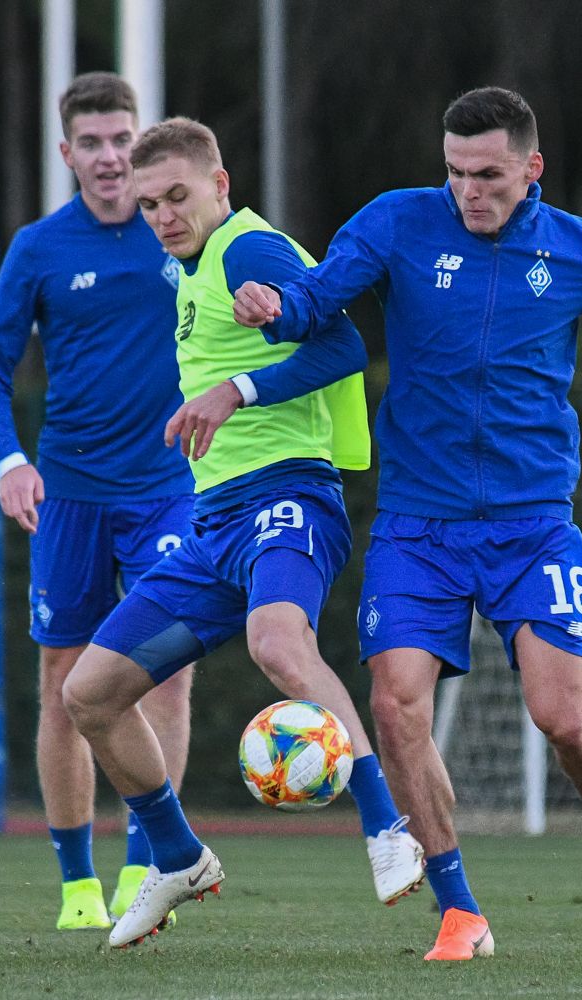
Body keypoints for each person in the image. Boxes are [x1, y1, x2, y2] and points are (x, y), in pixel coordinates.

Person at [233, 86, 582, 962]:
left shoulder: (571, 250)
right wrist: (273, 305)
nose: (470, 190)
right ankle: (459, 911)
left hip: (533, 524)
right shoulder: (398, 222)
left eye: (490, 174)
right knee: (394, 708)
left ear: (531, 169)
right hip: (416, 526)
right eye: (457, 172)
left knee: (565, 717)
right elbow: (316, 302)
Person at [62, 116, 425, 950]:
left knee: (277, 642)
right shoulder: (184, 269)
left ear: (221, 187)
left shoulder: (247, 250)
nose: (162, 213)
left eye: (178, 195)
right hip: (214, 522)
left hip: (288, 496)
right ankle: (179, 855)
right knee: (90, 694)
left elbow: (342, 346)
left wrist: (238, 392)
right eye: (150, 202)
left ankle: (384, 827)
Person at [0, 73, 197, 931]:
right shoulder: (38, 247)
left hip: (171, 491)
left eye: (122, 140)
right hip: (66, 496)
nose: (110, 158)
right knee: (64, 683)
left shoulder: (180, 235)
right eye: (93, 143)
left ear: (143, 146)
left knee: (164, 680)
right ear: (68, 154)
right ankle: (75, 886)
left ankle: (152, 869)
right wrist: (8, 461)